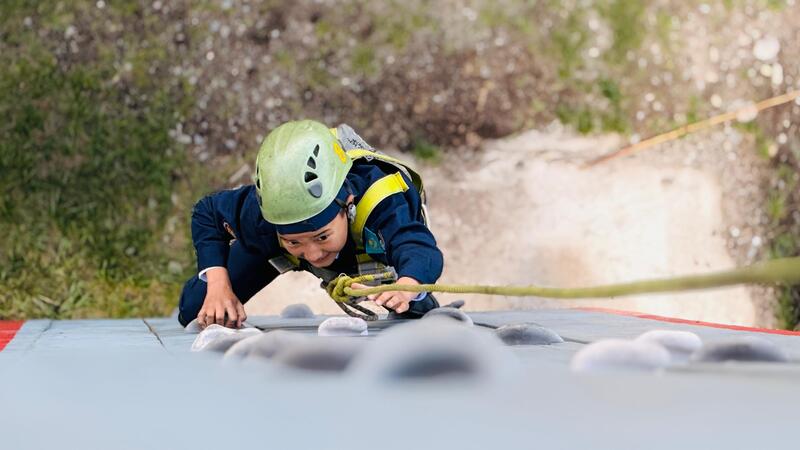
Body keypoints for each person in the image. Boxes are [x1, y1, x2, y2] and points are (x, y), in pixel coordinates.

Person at [178, 120, 443, 328]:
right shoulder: (265, 211)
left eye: (322, 237)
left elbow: (417, 248)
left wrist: (409, 284)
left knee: (408, 303)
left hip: (366, 246)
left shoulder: (382, 202)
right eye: (296, 240)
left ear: (347, 201)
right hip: (275, 244)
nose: (314, 255)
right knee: (196, 310)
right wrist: (217, 285)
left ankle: (416, 298)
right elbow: (207, 212)